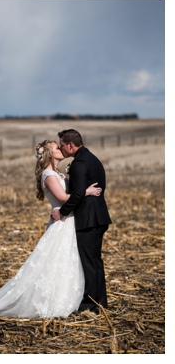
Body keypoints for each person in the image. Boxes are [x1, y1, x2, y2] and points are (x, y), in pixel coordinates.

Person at [0, 140, 101, 319]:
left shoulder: (57, 173)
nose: (60, 149)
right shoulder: (48, 175)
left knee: (66, 261)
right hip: (61, 221)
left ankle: (69, 297)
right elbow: (62, 199)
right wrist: (86, 192)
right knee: (53, 261)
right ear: (49, 154)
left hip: (68, 221)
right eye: (56, 147)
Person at [52, 129, 112, 313]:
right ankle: (100, 302)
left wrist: (62, 212)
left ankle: (91, 304)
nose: (61, 148)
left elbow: (77, 194)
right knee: (94, 261)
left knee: (89, 262)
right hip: (98, 215)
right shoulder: (92, 159)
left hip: (89, 218)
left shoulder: (79, 163)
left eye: (62, 144)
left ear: (70, 145)